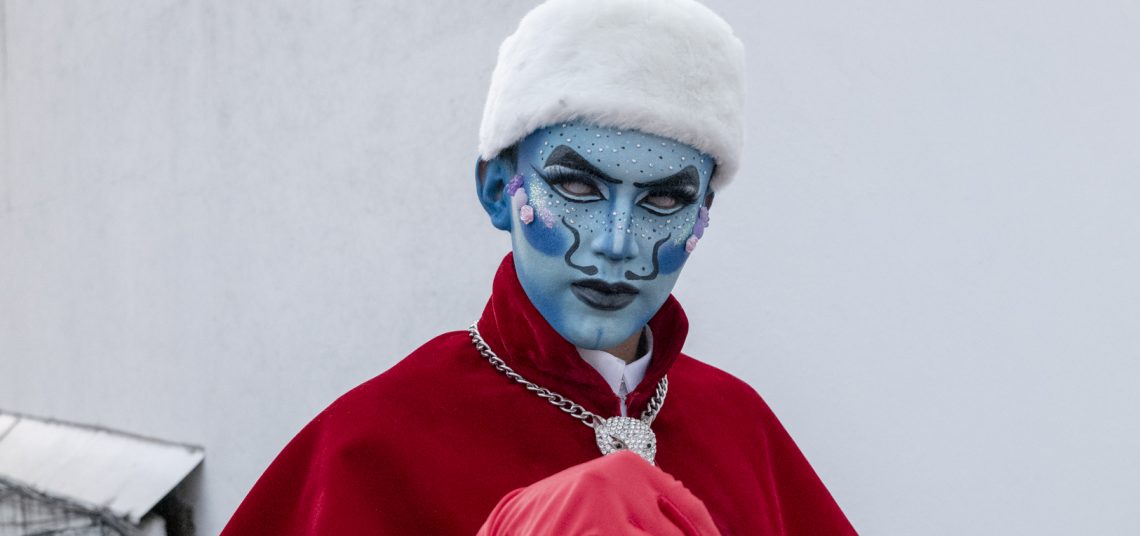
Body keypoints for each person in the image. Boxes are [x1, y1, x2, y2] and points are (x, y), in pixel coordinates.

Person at [223, 0, 856, 533]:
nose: (616, 244)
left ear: (702, 216)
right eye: (577, 188)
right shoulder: (373, 441)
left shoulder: (740, 426)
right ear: (498, 190)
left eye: (664, 201)